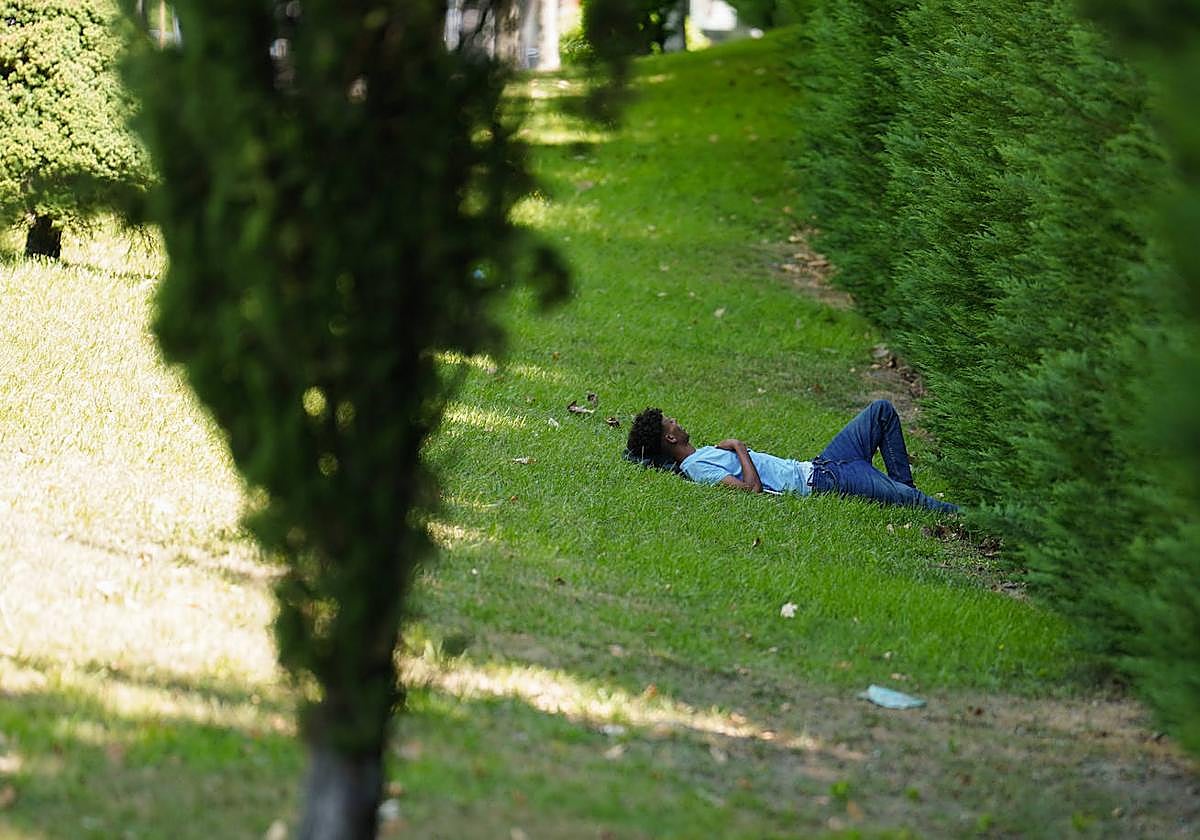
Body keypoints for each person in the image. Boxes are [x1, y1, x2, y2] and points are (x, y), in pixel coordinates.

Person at [625, 399, 959, 513]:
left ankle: (902, 488)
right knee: (922, 504)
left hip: (822, 464)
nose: (676, 421)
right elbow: (750, 490)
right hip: (824, 482)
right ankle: (962, 515)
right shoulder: (696, 467)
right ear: (670, 437)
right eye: (671, 422)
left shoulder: (700, 456)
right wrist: (740, 447)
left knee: (880, 411)